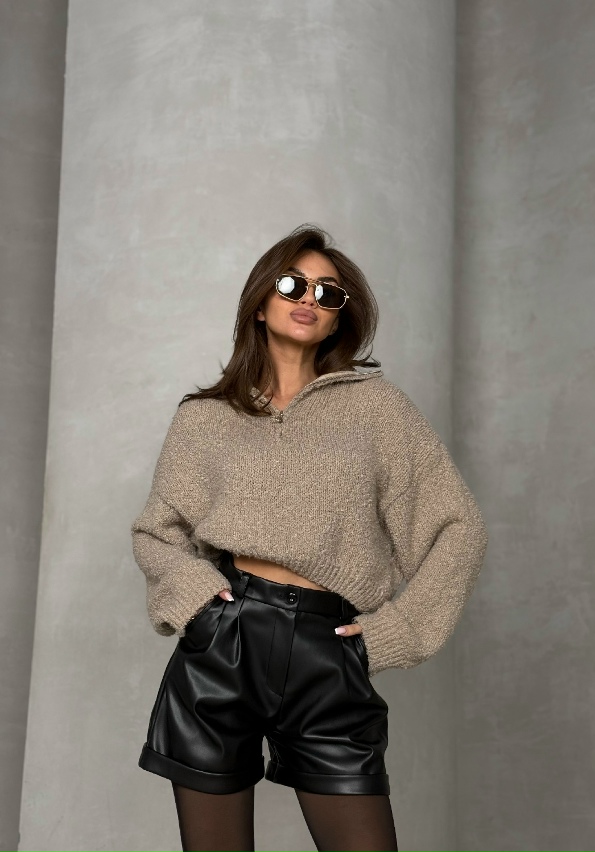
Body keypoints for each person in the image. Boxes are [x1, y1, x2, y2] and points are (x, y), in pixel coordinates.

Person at [130, 223, 488, 852]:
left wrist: (396, 632)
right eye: (293, 284)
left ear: (339, 318)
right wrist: (198, 606)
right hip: (223, 645)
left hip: (330, 653)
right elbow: (158, 532)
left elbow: (458, 527)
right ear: (260, 303)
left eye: (329, 293)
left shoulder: (378, 410)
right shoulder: (205, 417)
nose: (309, 300)